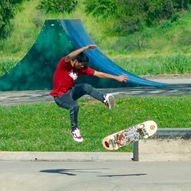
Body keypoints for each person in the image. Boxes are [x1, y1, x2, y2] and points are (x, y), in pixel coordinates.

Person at [50, 45, 128, 142]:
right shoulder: (64, 64)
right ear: (74, 61)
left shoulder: (81, 68)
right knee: (74, 106)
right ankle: (74, 130)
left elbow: (98, 73)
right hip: (60, 96)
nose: (82, 67)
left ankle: (104, 99)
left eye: (84, 65)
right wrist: (84, 49)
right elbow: (69, 56)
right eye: (81, 64)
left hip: (71, 92)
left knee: (86, 87)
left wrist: (116, 77)